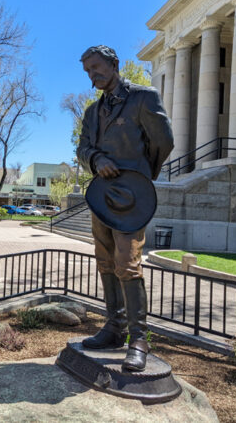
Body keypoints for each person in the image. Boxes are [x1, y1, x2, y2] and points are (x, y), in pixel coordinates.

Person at [76, 45, 174, 371]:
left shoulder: (144, 98)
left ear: (114, 64)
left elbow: (164, 142)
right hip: (101, 198)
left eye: (97, 67)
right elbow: (83, 148)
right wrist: (96, 159)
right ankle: (114, 328)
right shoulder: (92, 111)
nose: (93, 74)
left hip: (132, 199)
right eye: (88, 70)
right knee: (104, 260)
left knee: (128, 263)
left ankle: (139, 339)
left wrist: (141, 177)